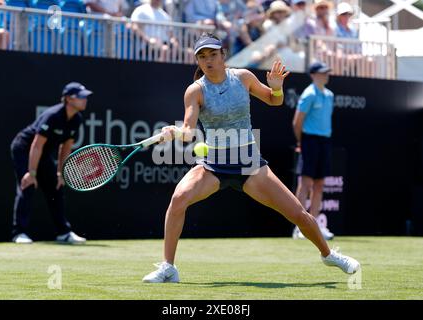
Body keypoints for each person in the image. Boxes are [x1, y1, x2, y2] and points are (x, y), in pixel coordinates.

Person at [142, 33, 360, 283]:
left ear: (223, 55)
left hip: (249, 164)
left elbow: (273, 101)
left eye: (213, 54)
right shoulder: (195, 90)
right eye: (202, 57)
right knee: (179, 198)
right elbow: (189, 130)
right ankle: (168, 267)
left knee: (298, 214)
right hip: (213, 165)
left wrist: (277, 88)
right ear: (198, 62)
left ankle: (329, 254)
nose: (208, 60)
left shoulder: (243, 77)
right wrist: (175, 131)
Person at [10, 82, 92, 244]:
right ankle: (19, 233)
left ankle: (63, 232)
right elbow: (36, 145)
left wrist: (61, 173)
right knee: (27, 185)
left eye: (85, 97)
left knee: (56, 187)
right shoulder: (53, 116)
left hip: (43, 153)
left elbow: (65, 147)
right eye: (81, 97)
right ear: (68, 99)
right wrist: (31, 173)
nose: (85, 100)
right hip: (24, 149)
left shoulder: (76, 119)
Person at [292, 62, 335, 241]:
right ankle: (299, 227)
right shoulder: (309, 94)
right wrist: (301, 142)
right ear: (313, 75)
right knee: (306, 183)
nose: (326, 75)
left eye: (327, 72)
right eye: (322, 73)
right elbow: (297, 122)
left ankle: (315, 225)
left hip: (324, 141)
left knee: (319, 184)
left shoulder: (330, 95)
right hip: (309, 140)